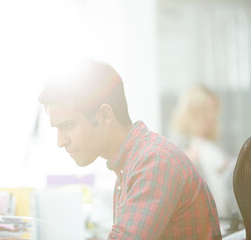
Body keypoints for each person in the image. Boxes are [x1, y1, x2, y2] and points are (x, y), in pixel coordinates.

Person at [39, 59, 221, 239]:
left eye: (68, 126)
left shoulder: (154, 161)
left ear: (105, 115)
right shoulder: (130, 165)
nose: (60, 141)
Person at [169, 85, 238, 219]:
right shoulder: (181, 148)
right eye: (207, 110)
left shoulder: (211, 147)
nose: (213, 116)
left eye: (214, 110)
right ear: (193, 112)